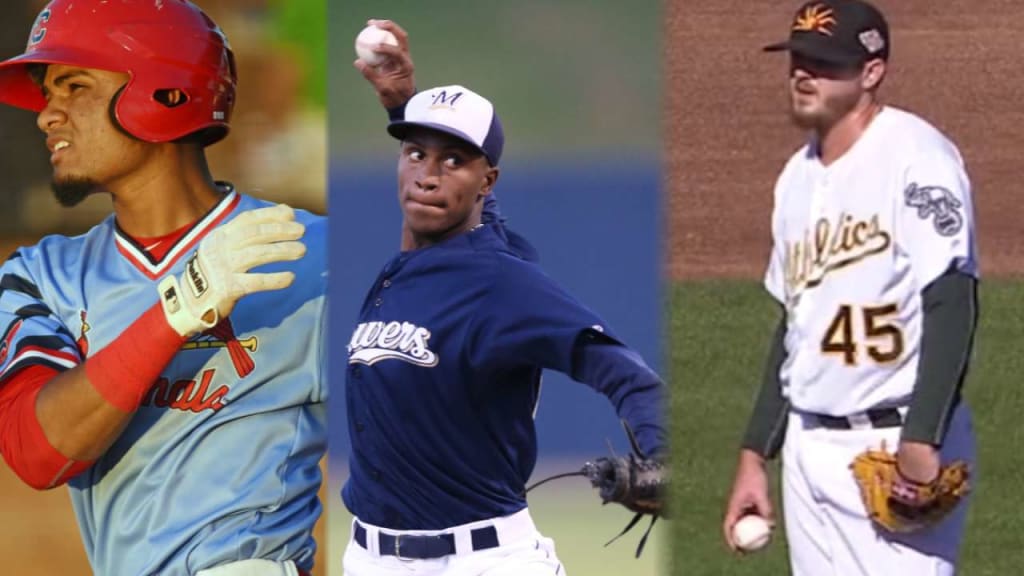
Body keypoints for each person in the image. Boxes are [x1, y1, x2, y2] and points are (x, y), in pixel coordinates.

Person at [0, 2, 326, 575]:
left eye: (73, 86)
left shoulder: (314, 256)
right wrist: (179, 308)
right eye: (47, 93)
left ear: (167, 91)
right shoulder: (37, 274)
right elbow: (37, 452)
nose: (47, 116)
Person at [340, 20, 668, 576]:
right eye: (415, 153)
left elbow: (625, 372)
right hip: (371, 559)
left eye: (453, 161)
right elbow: (439, 190)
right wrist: (403, 106)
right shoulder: (410, 264)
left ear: (486, 181)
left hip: (483, 560)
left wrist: (664, 456)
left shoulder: (503, 283)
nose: (427, 175)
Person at [721, 1, 978, 574]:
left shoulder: (917, 158)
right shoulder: (795, 178)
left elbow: (952, 299)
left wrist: (923, 437)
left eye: (825, 62)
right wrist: (755, 455)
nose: (804, 73)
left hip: (895, 444)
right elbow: (795, 326)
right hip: (809, 453)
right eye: (798, 59)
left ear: (872, 72)